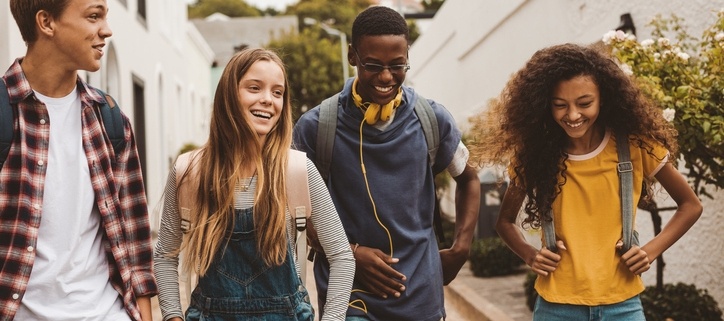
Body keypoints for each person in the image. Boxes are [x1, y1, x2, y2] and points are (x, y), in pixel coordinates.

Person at [468, 43, 703, 320]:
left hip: (623, 305)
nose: (573, 115)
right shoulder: (534, 156)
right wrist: (530, 255)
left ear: (604, 98)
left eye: (584, 103)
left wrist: (650, 251)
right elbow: (504, 222)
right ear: (545, 104)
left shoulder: (636, 147)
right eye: (560, 105)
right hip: (556, 307)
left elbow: (690, 205)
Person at [293, 6, 480, 321]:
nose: (385, 77)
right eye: (372, 65)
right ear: (353, 56)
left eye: (397, 65)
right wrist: (349, 254)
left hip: (421, 298)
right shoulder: (316, 127)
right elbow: (295, 207)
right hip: (349, 299)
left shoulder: (432, 119)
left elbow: (470, 179)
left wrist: (461, 249)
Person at [153, 48, 355, 321]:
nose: (267, 100)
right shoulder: (190, 171)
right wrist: (173, 317)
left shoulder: (297, 170)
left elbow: (342, 257)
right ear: (228, 94)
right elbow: (165, 257)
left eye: (277, 92)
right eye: (254, 87)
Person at [0, 0, 157, 320]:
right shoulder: (5, 115)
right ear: (47, 22)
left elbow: (136, 244)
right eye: (93, 16)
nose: (106, 30)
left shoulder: (111, 120)